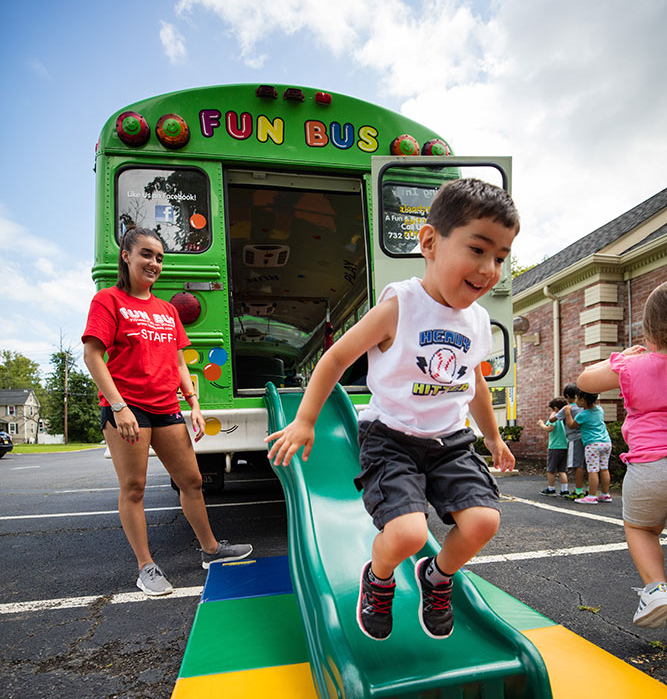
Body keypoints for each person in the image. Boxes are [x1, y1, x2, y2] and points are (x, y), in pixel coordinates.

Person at [267, 178, 518, 640]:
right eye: (479, 250)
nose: (489, 269)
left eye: (500, 257)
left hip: (450, 443)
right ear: (429, 243)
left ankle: (436, 577)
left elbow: (475, 379)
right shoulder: (401, 304)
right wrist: (304, 420)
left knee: (484, 520)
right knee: (404, 535)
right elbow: (336, 357)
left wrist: (494, 436)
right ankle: (378, 579)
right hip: (392, 440)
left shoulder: (479, 320)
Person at [82, 226, 252, 596]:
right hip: (129, 409)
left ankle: (211, 551)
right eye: (145, 254)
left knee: (191, 480)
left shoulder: (166, 310)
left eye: (159, 257)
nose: (154, 263)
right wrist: (118, 406)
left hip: (166, 407)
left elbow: (178, 364)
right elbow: (93, 355)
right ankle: (147, 567)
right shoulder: (108, 301)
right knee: (134, 488)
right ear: (125, 256)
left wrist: (193, 403)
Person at [577, 282, 667, 628]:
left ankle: (656, 588)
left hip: (649, 469)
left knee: (642, 528)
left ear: (650, 332)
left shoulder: (638, 365)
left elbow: (586, 380)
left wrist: (622, 359)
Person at [564, 390, 612, 504]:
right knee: (604, 468)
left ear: (583, 400)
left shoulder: (583, 415)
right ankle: (605, 494)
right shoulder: (600, 410)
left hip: (592, 444)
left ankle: (591, 496)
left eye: (577, 399)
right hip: (606, 442)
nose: (575, 401)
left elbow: (571, 425)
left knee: (593, 470)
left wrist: (567, 413)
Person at [549, 383, 586, 499]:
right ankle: (590, 491)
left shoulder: (567, 409)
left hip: (575, 439)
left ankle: (579, 491)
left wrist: (555, 412)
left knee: (578, 466)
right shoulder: (583, 407)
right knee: (588, 465)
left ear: (567, 397)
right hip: (587, 438)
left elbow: (552, 420)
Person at [537, 398, 569, 496]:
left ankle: (551, 488)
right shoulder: (566, 416)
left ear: (555, 408)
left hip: (555, 446)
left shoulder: (554, 415)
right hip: (564, 446)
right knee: (562, 470)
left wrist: (541, 424)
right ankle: (564, 490)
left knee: (551, 470)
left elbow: (549, 428)